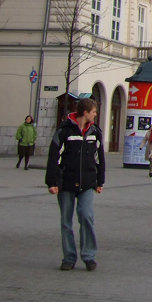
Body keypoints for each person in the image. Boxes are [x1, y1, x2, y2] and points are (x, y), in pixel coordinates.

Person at [46, 98, 105, 271]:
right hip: (66, 182)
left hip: (87, 183)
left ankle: (89, 256)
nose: (95, 114)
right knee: (66, 221)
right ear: (85, 112)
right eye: (93, 111)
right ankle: (69, 258)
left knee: (87, 217)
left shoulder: (95, 132)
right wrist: (52, 181)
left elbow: (99, 158)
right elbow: (53, 157)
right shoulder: (64, 130)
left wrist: (100, 180)